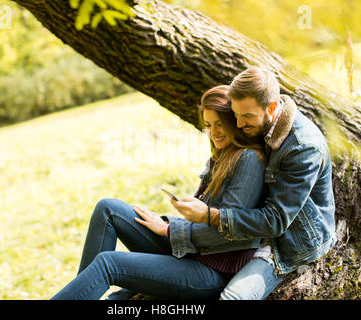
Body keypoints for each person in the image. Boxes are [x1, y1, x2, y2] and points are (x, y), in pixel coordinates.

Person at [51, 85, 267, 300]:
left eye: (220, 124)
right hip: (194, 252)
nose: (214, 133)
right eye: (209, 125)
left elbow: (230, 231)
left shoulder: (248, 160)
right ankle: (83, 292)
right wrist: (170, 222)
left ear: (234, 121)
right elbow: (203, 221)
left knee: (109, 263)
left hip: (212, 272)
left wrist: (169, 230)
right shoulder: (221, 157)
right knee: (108, 209)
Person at [171, 66, 336, 300]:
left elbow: (276, 221)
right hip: (256, 230)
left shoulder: (303, 148)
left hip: (291, 241)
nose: (238, 124)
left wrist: (211, 215)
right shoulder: (265, 123)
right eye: (236, 115)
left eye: (246, 116)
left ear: (271, 107)